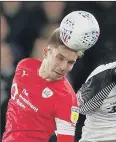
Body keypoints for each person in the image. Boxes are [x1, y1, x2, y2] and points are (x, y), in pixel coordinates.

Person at [2, 11, 100, 142]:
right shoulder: (24, 66)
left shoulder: (67, 99)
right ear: (46, 51)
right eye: (60, 58)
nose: (64, 66)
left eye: (71, 62)